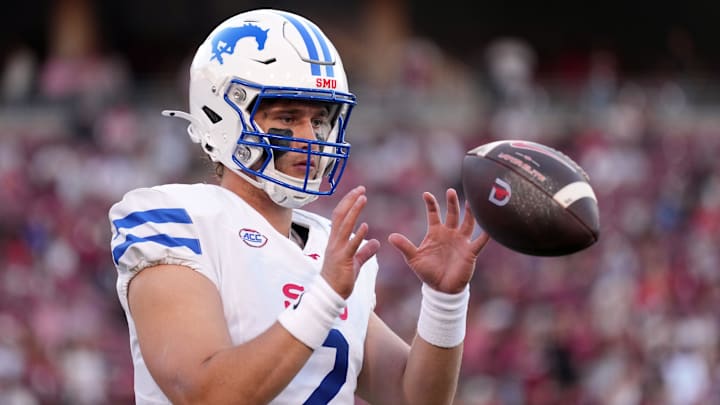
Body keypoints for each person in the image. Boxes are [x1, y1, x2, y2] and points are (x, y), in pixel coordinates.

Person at [109, 8, 489, 405]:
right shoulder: (177, 219)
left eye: (319, 119)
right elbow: (206, 394)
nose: (310, 136)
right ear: (221, 116)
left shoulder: (329, 247)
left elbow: (415, 399)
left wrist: (446, 302)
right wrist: (323, 295)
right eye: (288, 116)